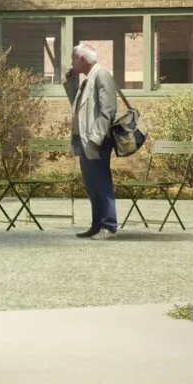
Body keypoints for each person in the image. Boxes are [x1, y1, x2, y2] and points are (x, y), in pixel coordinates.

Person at [66, 40, 120, 237]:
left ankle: (109, 225)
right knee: (91, 184)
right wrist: (70, 83)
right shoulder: (87, 79)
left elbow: (108, 110)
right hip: (84, 139)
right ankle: (96, 224)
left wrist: (96, 138)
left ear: (82, 59)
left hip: (96, 140)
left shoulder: (101, 75)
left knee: (101, 181)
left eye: (73, 59)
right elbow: (78, 106)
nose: (71, 63)